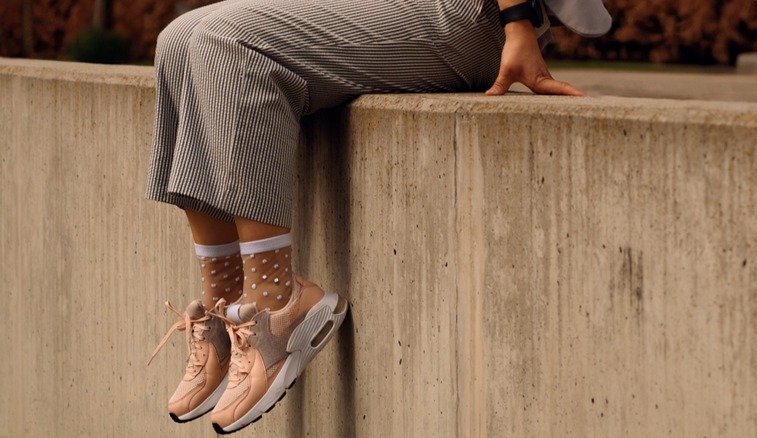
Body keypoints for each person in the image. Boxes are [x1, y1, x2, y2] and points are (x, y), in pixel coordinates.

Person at [145, 0, 611, 434]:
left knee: (226, 39)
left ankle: (276, 301)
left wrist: (518, 20)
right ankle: (226, 305)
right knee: (178, 41)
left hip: (469, 16)